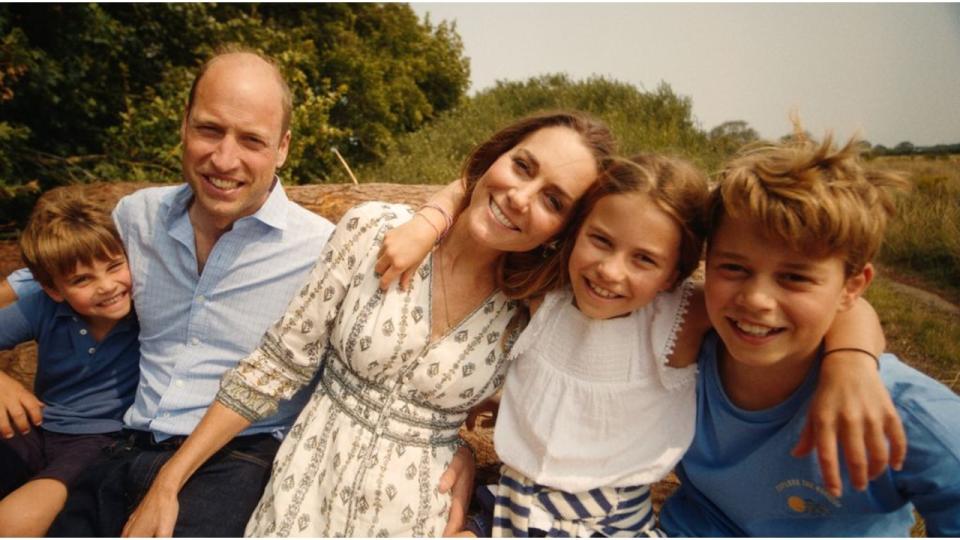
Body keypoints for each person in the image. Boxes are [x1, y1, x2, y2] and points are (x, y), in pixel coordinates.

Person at [121, 111, 617, 537]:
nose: (520, 197)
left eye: (553, 200)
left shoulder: (530, 313)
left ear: (563, 230)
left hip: (420, 515)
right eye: (522, 166)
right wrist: (170, 480)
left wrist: (461, 451)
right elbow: (275, 366)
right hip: (303, 497)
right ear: (495, 157)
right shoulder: (375, 230)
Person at [4, 46, 339, 536]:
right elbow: (41, 284)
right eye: (209, 129)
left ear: (283, 147)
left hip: (239, 457)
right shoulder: (134, 220)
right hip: (122, 446)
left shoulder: (322, 251)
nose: (224, 159)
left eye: (251, 140)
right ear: (184, 123)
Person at [658, 130, 960, 536]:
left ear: (852, 286)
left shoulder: (901, 414)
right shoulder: (681, 351)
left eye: (795, 278)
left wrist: (851, 361)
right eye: (734, 268)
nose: (757, 299)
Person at [0, 194, 140, 536]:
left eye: (114, 266)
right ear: (53, 289)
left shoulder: (148, 309)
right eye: (82, 280)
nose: (107, 286)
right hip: (38, 424)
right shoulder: (42, 306)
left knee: (14, 520)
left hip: (101, 440)